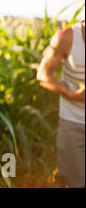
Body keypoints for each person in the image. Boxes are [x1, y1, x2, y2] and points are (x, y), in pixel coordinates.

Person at [37, 19, 85, 188]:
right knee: (75, 182)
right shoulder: (67, 37)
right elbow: (43, 75)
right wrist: (70, 94)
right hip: (73, 123)